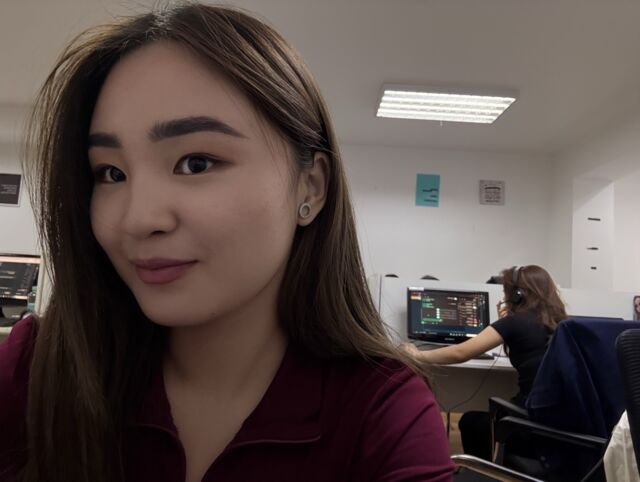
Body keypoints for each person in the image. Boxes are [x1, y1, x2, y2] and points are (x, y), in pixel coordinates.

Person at [0, 4, 454, 482]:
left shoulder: (383, 413)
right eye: (111, 173)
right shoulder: (36, 369)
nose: (137, 219)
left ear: (311, 187)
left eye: (196, 163)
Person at [402, 265, 568, 460]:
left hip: (530, 426)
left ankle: (485, 472)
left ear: (517, 295)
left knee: (470, 421)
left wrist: (416, 355)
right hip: (563, 426)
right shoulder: (564, 323)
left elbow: (460, 353)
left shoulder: (515, 322)